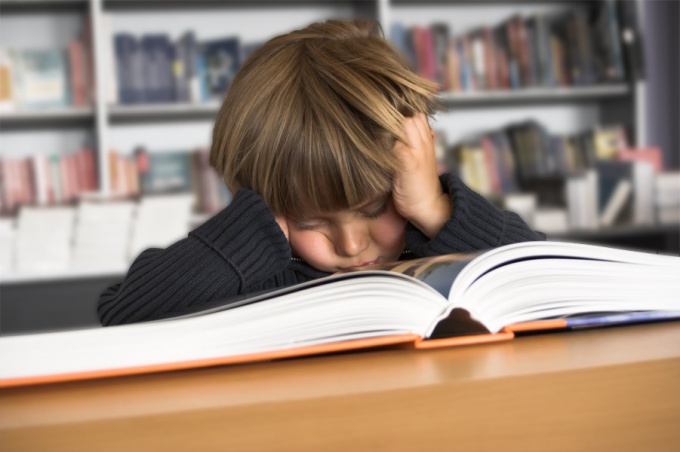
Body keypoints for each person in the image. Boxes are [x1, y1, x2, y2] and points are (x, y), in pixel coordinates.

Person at [98, 20, 544, 326]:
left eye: (373, 208)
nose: (350, 245)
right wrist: (257, 228)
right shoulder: (263, 270)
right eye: (310, 222)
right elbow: (125, 313)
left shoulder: (437, 244)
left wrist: (436, 210)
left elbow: (549, 280)